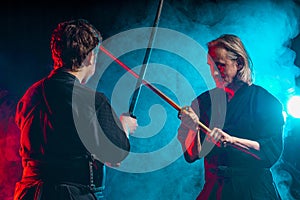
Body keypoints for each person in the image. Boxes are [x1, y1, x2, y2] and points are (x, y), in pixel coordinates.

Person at [13, 19, 137, 200]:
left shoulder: (29, 95)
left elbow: (59, 142)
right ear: (90, 57)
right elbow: (116, 152)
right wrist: (124, 127)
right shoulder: (91, 99)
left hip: (27, 194)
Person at [177, 34, 284, 199]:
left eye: (219, 65)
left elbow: (269, 152)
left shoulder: (266, 101)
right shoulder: (203, 102)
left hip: (253, 192)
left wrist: (233, 141)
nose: (213, 72)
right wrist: (191, 128)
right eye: (210, 65)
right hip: (215, 189)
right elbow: (192, 155)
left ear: (239, 63)